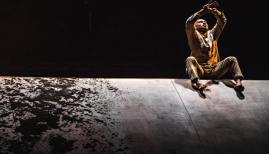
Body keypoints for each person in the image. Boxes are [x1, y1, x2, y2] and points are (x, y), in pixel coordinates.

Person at [185, 0, 244, 91]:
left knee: (232, 59)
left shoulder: (212, 34)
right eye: (200, 22)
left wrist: (214, 11)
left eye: (205, 22)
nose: (204, 23)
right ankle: (198, 82)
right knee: (189, 59)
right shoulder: (193, 35)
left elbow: (222, 21)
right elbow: (189, 22)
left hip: (214, 70)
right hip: (200, 70)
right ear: (195, 26)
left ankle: (238, 83)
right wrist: (203, 11)